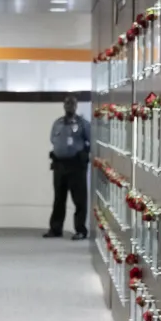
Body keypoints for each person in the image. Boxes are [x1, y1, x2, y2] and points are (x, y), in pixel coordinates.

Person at [44, 94, 90, 240]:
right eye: (67, 104)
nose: (69, 106)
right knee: (59, 199)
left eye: (72, 104)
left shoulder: (83, 124)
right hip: (60, 166)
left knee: (79, 200)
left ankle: (80, 230)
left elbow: (91, 141)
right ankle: (55, 229)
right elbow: (53, 139)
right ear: (64, 106)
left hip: (76, 166)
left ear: (76, 106)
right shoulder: (57, 123)